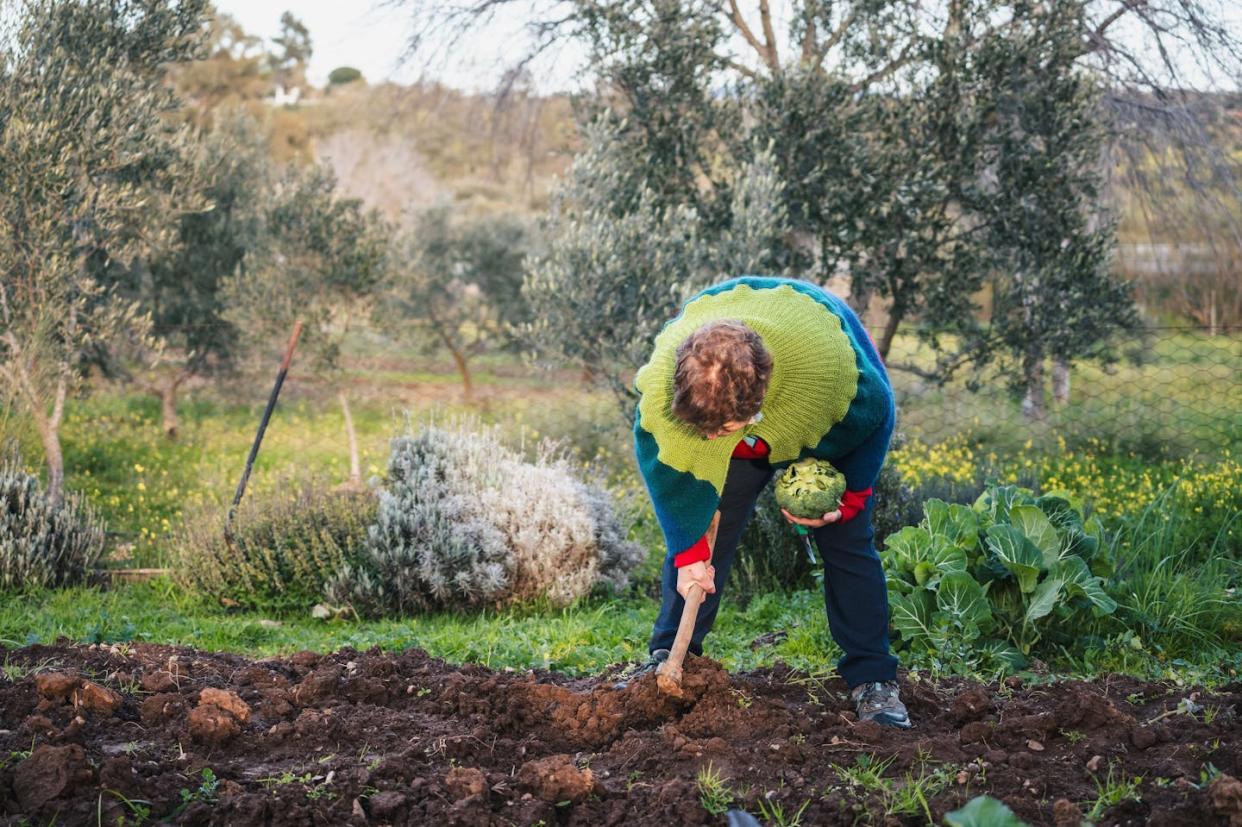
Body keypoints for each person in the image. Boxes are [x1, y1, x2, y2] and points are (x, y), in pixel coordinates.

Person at [615, 275, 911, 729]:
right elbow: (666, 467)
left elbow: (877, 417)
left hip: (813, 406)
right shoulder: (662, 387)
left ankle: (873, 678)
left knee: (847, 543)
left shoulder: (831, 375)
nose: (711, 438)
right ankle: (669, 657)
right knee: (700, 539)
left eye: (724, 427)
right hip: (741, 429)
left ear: (758, 401)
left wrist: (849, 499)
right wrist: (691, 552)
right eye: (703, 429)